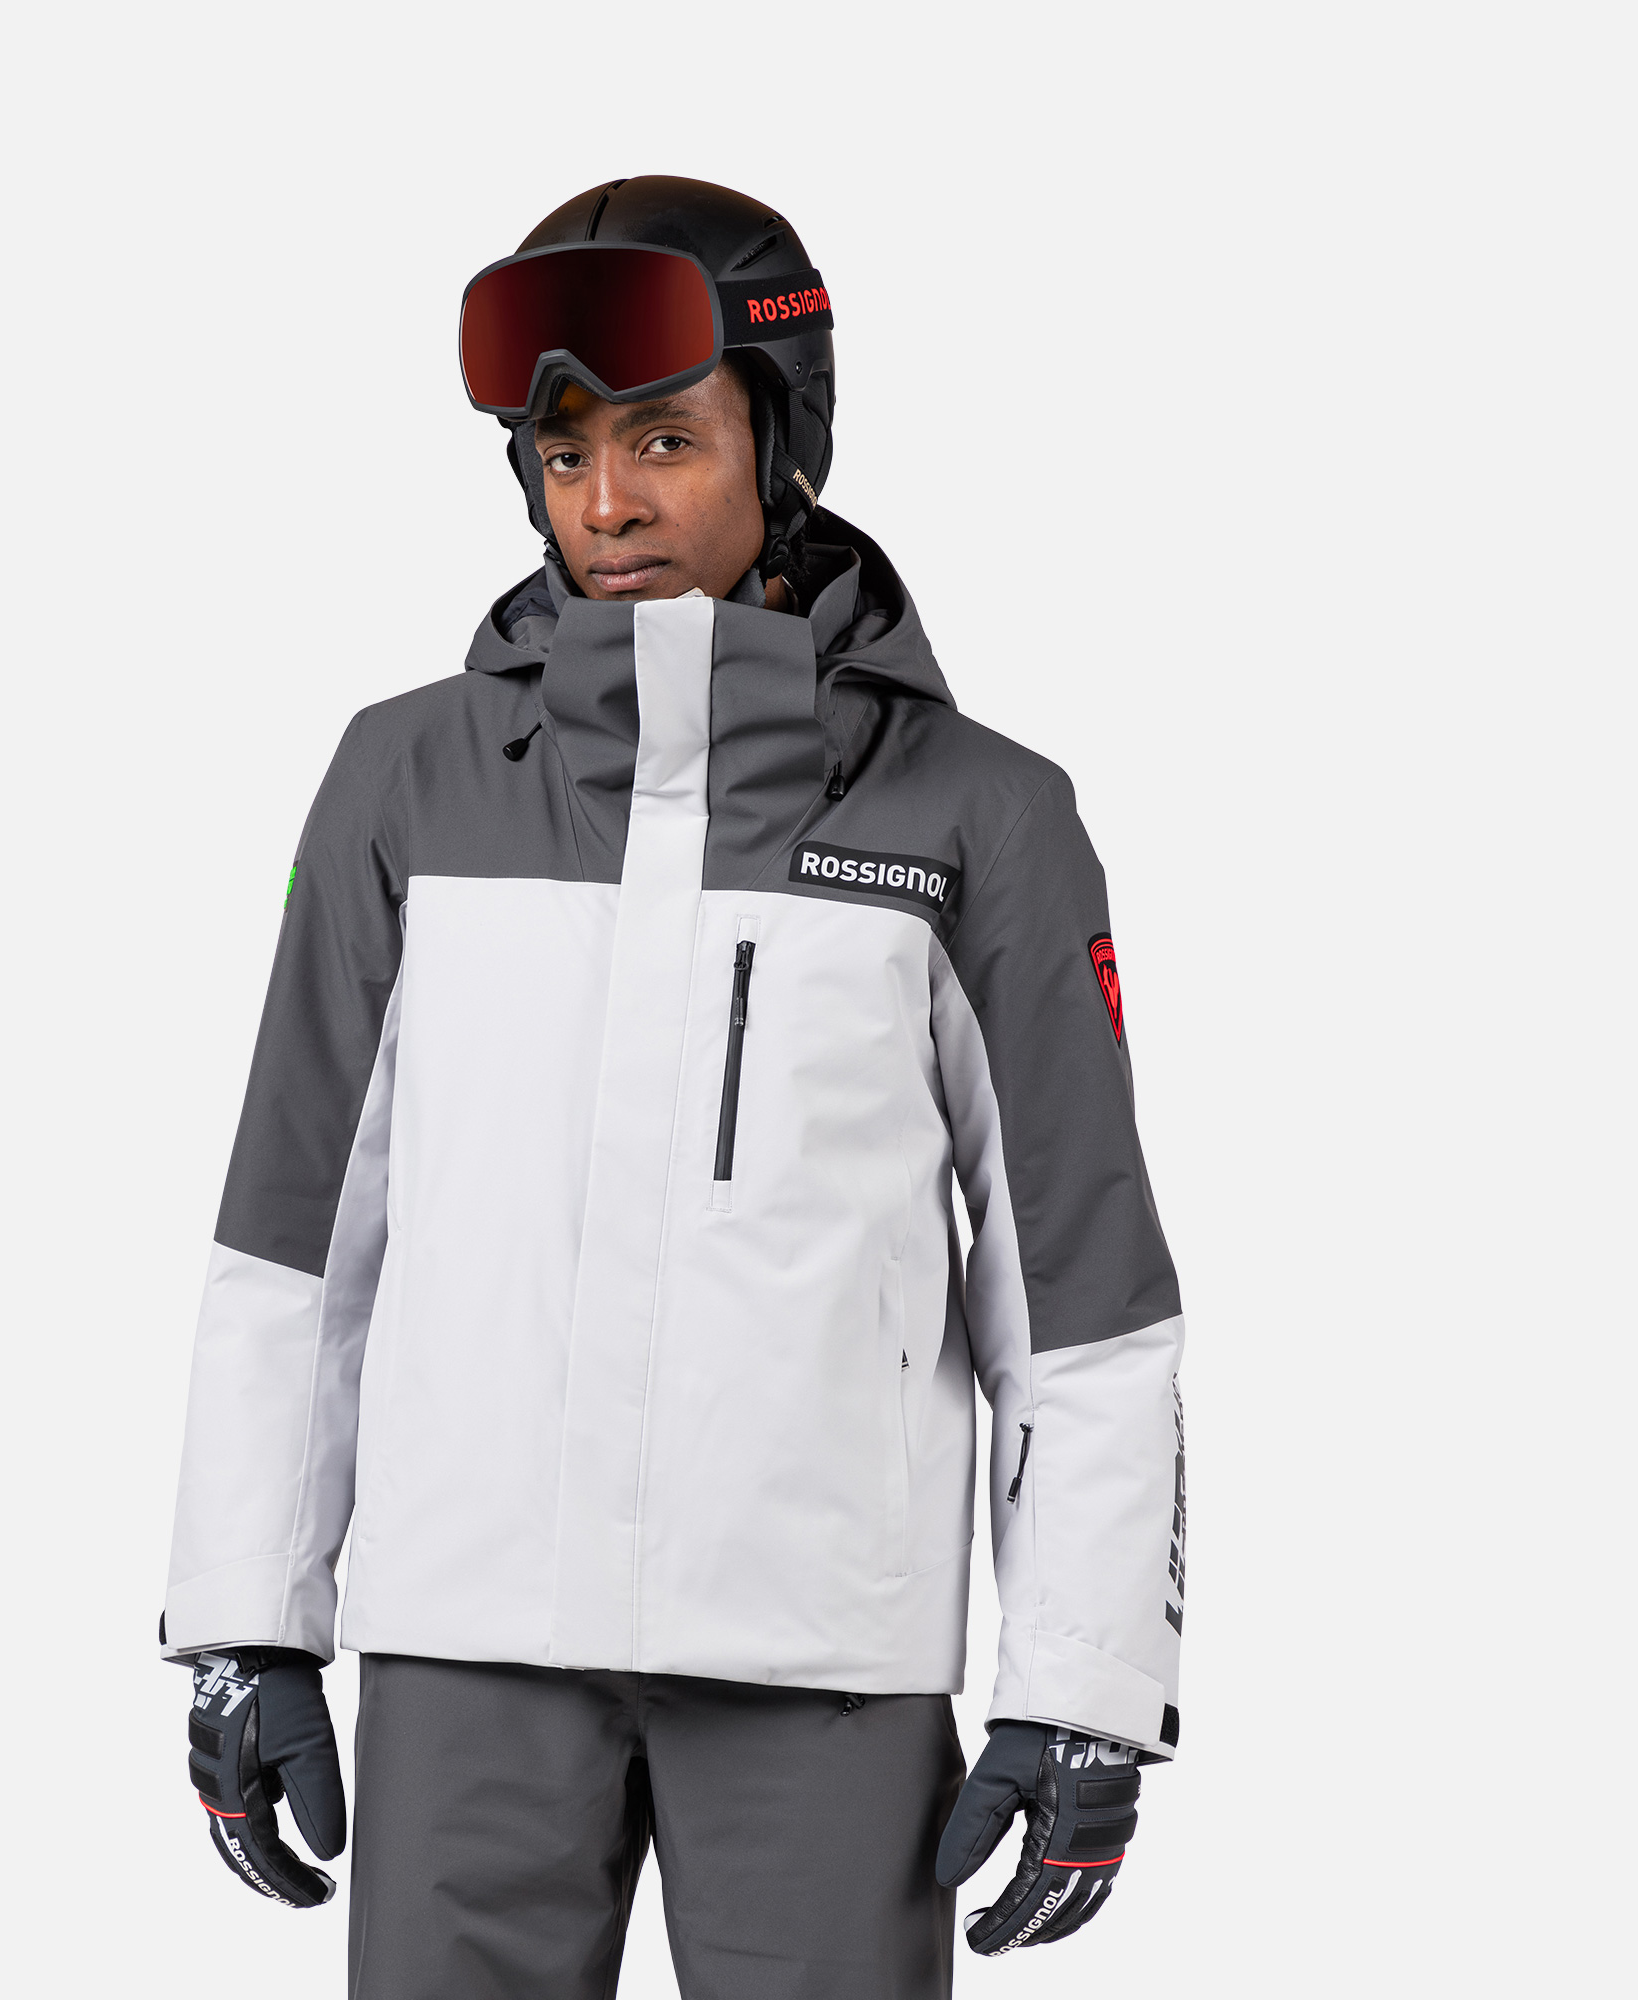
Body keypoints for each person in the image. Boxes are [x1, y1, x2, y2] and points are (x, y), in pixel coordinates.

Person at [162, 176, 1186, 1997]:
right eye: (561, 455)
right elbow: (294, 1247)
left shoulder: (981, 819)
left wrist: (1086, 1686)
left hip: (822, 1667)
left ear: (781, 446)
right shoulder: (406, 784)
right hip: (469, 1645)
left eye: (663, 441)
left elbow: (1080, 1298)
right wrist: (249, 1623)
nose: (607, 505)